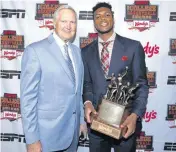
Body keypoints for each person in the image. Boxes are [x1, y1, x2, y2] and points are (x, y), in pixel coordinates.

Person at [81, 2, 149, 152]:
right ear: (93, 22)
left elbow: (142, 85)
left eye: (107, 14)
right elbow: (86, 84)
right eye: (97, 16)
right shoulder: (85, 52)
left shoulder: (133, 47)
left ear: (113, 18)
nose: (102, 19)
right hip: (97, 123)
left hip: (125, 123)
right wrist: (87, 103)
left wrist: (135, 116)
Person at [20, 5, 87, 152]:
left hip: (73, 135)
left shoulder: (77, 52)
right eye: (64, 21)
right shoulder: (35, 51)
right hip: (46, 138)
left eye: (73, 22)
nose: (68, 26)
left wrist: (81, 121)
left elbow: (78, 91)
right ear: (54, 23)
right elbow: (27, 100)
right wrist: (32, 139)